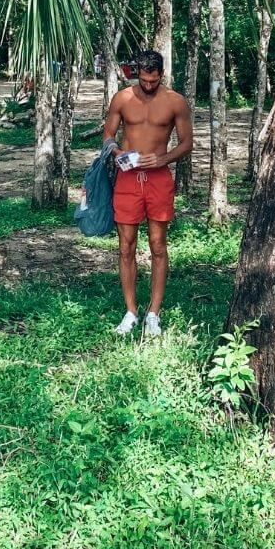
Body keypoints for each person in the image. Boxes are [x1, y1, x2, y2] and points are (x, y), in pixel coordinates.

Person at [102, 49, 193, 337]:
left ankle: (154, 312)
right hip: (128, 178)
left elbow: (187, 143)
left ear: (161, 75)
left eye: (154, 81)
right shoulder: (123, 98)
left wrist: (163, 159)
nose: (149, 86)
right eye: (144, 80)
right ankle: (131, 311)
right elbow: (108, 136)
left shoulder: (175, 102)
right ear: (136, 74)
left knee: (157, 244)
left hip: (158, 179)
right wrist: (117, 152)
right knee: (126, 245)